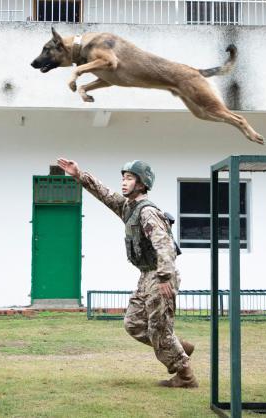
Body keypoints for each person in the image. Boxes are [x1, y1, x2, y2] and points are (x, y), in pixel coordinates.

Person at [56, 158, 198, 388]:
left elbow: (165, 245)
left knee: (159, 328)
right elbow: (104, 194)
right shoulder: (128, 208)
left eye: (129, 178)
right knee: (133, 323)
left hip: (160, 275)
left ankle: (185, 377)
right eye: (123, 177)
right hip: (146, 275)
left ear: (141, 184)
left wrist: (164, 278)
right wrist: (79, 174)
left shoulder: (148, 212)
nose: (123, 182)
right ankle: (177, 347)